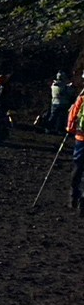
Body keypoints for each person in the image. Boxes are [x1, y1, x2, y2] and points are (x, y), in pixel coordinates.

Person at [70, 85, 84, 213]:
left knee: (78, 166)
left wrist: (70, 129)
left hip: (81, 137)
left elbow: (73, 114)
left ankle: (74, 194)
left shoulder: (82, 97)